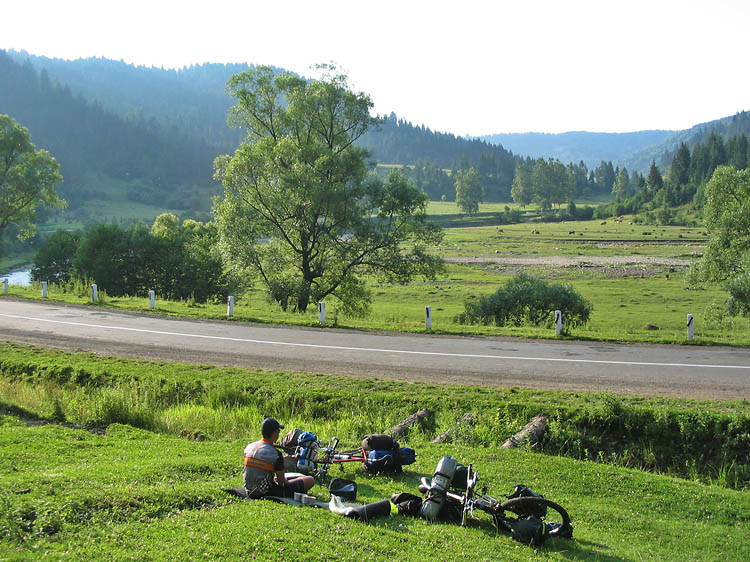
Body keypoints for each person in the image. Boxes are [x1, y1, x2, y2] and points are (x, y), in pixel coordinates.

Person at [243, 417, 315, 498]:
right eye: (278, 432)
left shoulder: (249, 447)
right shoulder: (276, 454)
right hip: (265, 492)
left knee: (289, 476)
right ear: (274, 433)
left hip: (249, 489)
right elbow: (282, 483)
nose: (278, 434)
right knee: (309, 480)